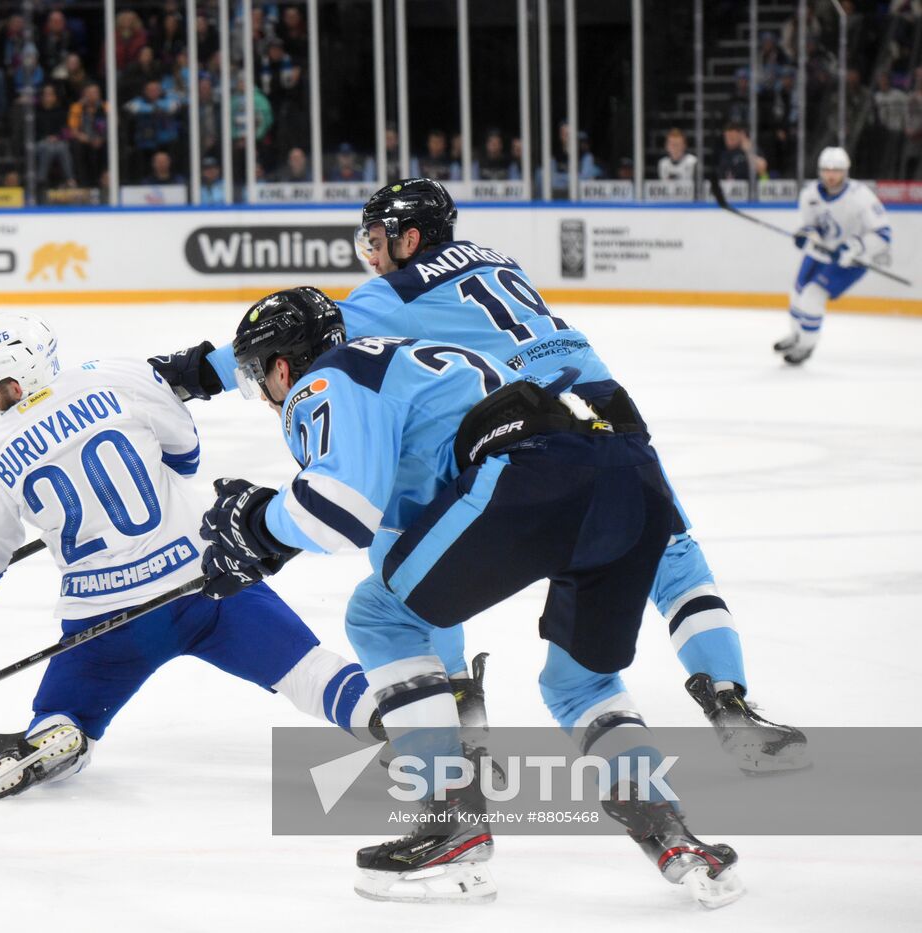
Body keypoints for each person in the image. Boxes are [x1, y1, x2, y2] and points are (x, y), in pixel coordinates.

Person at [148, 177, 808, 774]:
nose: (371, 255)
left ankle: (456, 719)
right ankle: (728, 699)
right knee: (670, 546)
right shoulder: (498, 259)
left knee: (400, 553)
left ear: (409, 237)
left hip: (525, 432)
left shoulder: (391, 291)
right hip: (604, 403)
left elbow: (294, 339)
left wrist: (190, 375)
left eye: (377, 240)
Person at [198, 287, 742, 906]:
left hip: (536, 470)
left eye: (256, 376)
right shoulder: (412, 358)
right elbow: (398, 534)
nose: (265, 395)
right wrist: (276, 537)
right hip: (628, 471)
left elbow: (339, 515)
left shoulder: (325, 379)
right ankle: (677, 840)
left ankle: (451, 820)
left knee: (378, 616)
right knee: (579, 685)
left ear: (282, 365)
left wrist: (255, 521)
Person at [0, 313, 378, 799]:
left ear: (13, 381)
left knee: (64, 711)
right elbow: (184, 457)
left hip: (105, 618)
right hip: (205, 582)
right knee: (309, 671)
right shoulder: (115, 376)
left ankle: (58, 732)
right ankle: (408, 728)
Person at [776, 147, 892, 365]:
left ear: (846, 171)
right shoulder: (810, 194)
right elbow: (811, 226)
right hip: (820, 253)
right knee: (797, 292)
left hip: (851, 260)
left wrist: (854, 247)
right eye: (827, 170)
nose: (831, 175)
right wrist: (805, 235)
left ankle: (807, 345)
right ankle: (797, 334)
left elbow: (883, 234)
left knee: (812, 295)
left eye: (837, 170)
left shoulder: (861, 196)